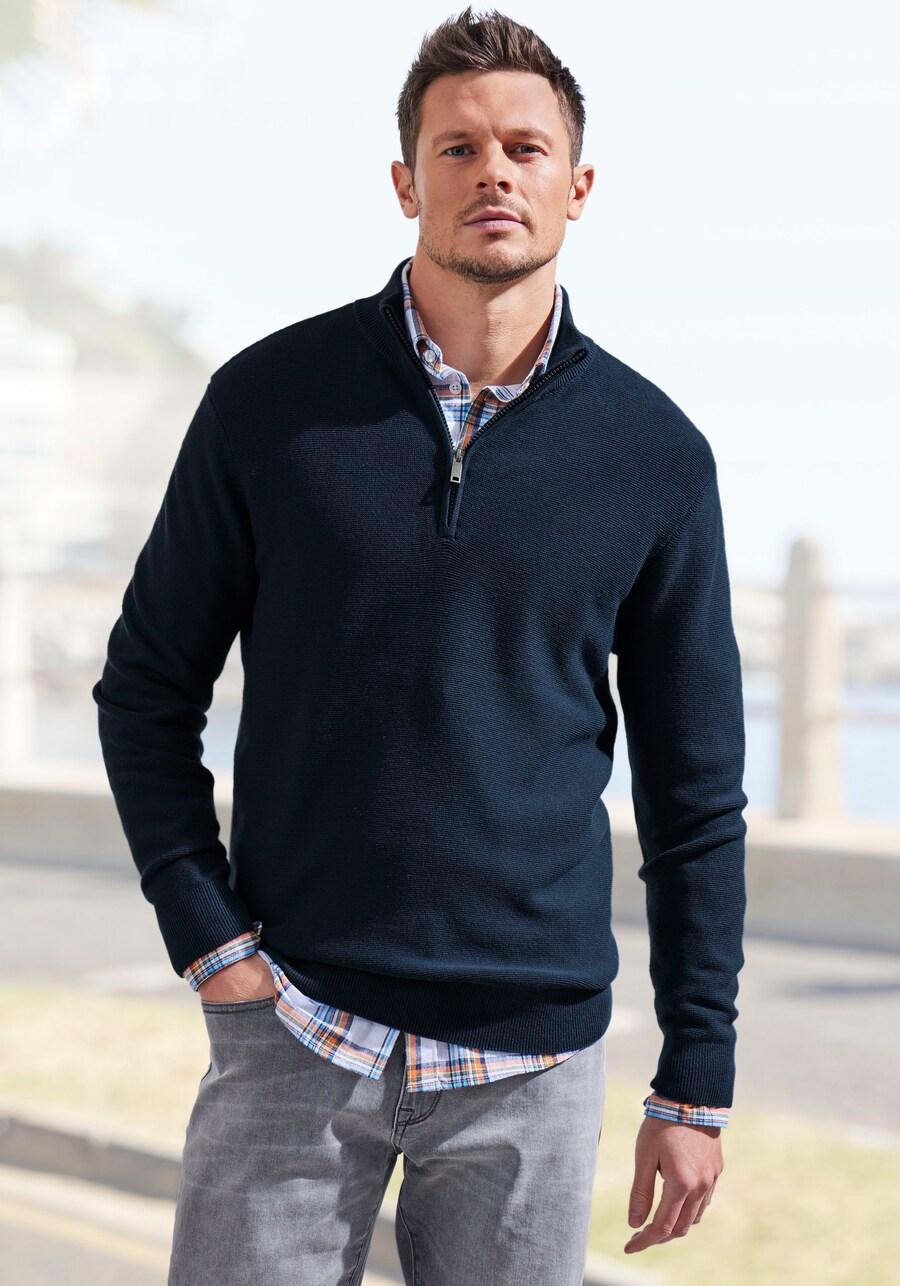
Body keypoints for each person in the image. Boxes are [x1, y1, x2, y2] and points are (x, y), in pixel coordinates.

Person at [92, 7, 747, 1283]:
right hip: (294, 1026)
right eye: (458, 148)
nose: (493, 171)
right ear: (406, 182)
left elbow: (695, 797)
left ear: (577, 187)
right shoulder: (270, 406)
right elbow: (146, 687)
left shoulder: (657, 458)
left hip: (532, 1064)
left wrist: (697, 1076)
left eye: (526, 148)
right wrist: (205, 929)